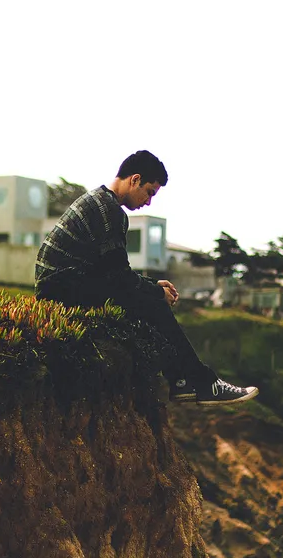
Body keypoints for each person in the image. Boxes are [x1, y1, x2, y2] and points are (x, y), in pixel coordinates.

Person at [35, 150, 258, 405]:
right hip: (61, 289)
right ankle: (201, 383)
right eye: (149, 192)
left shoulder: (99, 202)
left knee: (148, 299)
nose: (149, 202)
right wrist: (154, 292)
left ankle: (183, 382)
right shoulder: (109, 211)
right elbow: (119, 278)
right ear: (135, 179)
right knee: (151, 304)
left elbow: (111, 272)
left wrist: (152, 286)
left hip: (65, 285)